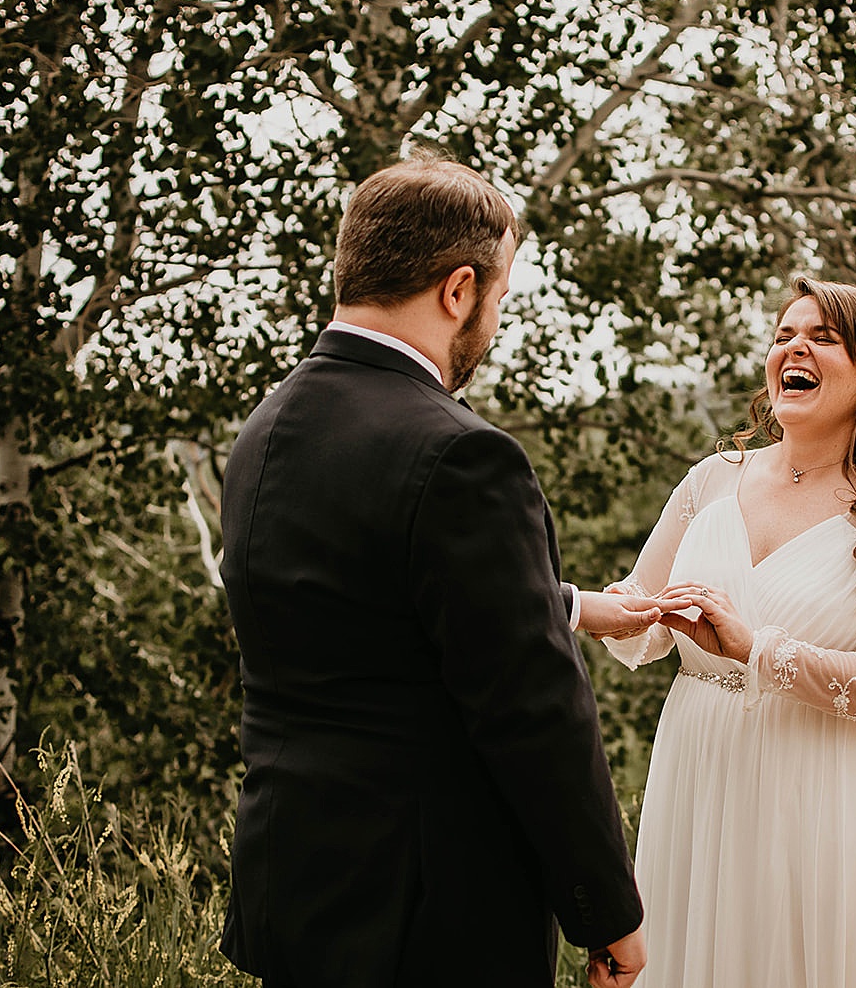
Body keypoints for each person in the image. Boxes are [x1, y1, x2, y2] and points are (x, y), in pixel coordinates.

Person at [218, 156, 657, 988]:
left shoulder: (265, 431)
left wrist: (570, 604)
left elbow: (373, 607)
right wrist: (606, 906)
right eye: (499, 298)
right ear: (459, 290)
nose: (493, 321)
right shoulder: (461, 453)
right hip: (430, 918)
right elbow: (532, 708)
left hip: (294, 891)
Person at [591, 279, 856, 988]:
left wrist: (757, 648)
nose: (794, 346)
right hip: (699, 779)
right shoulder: (711, 481)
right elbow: (636, 625)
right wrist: (579, 605)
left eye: (823, 337)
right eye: (784, 335)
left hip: (829, 796)